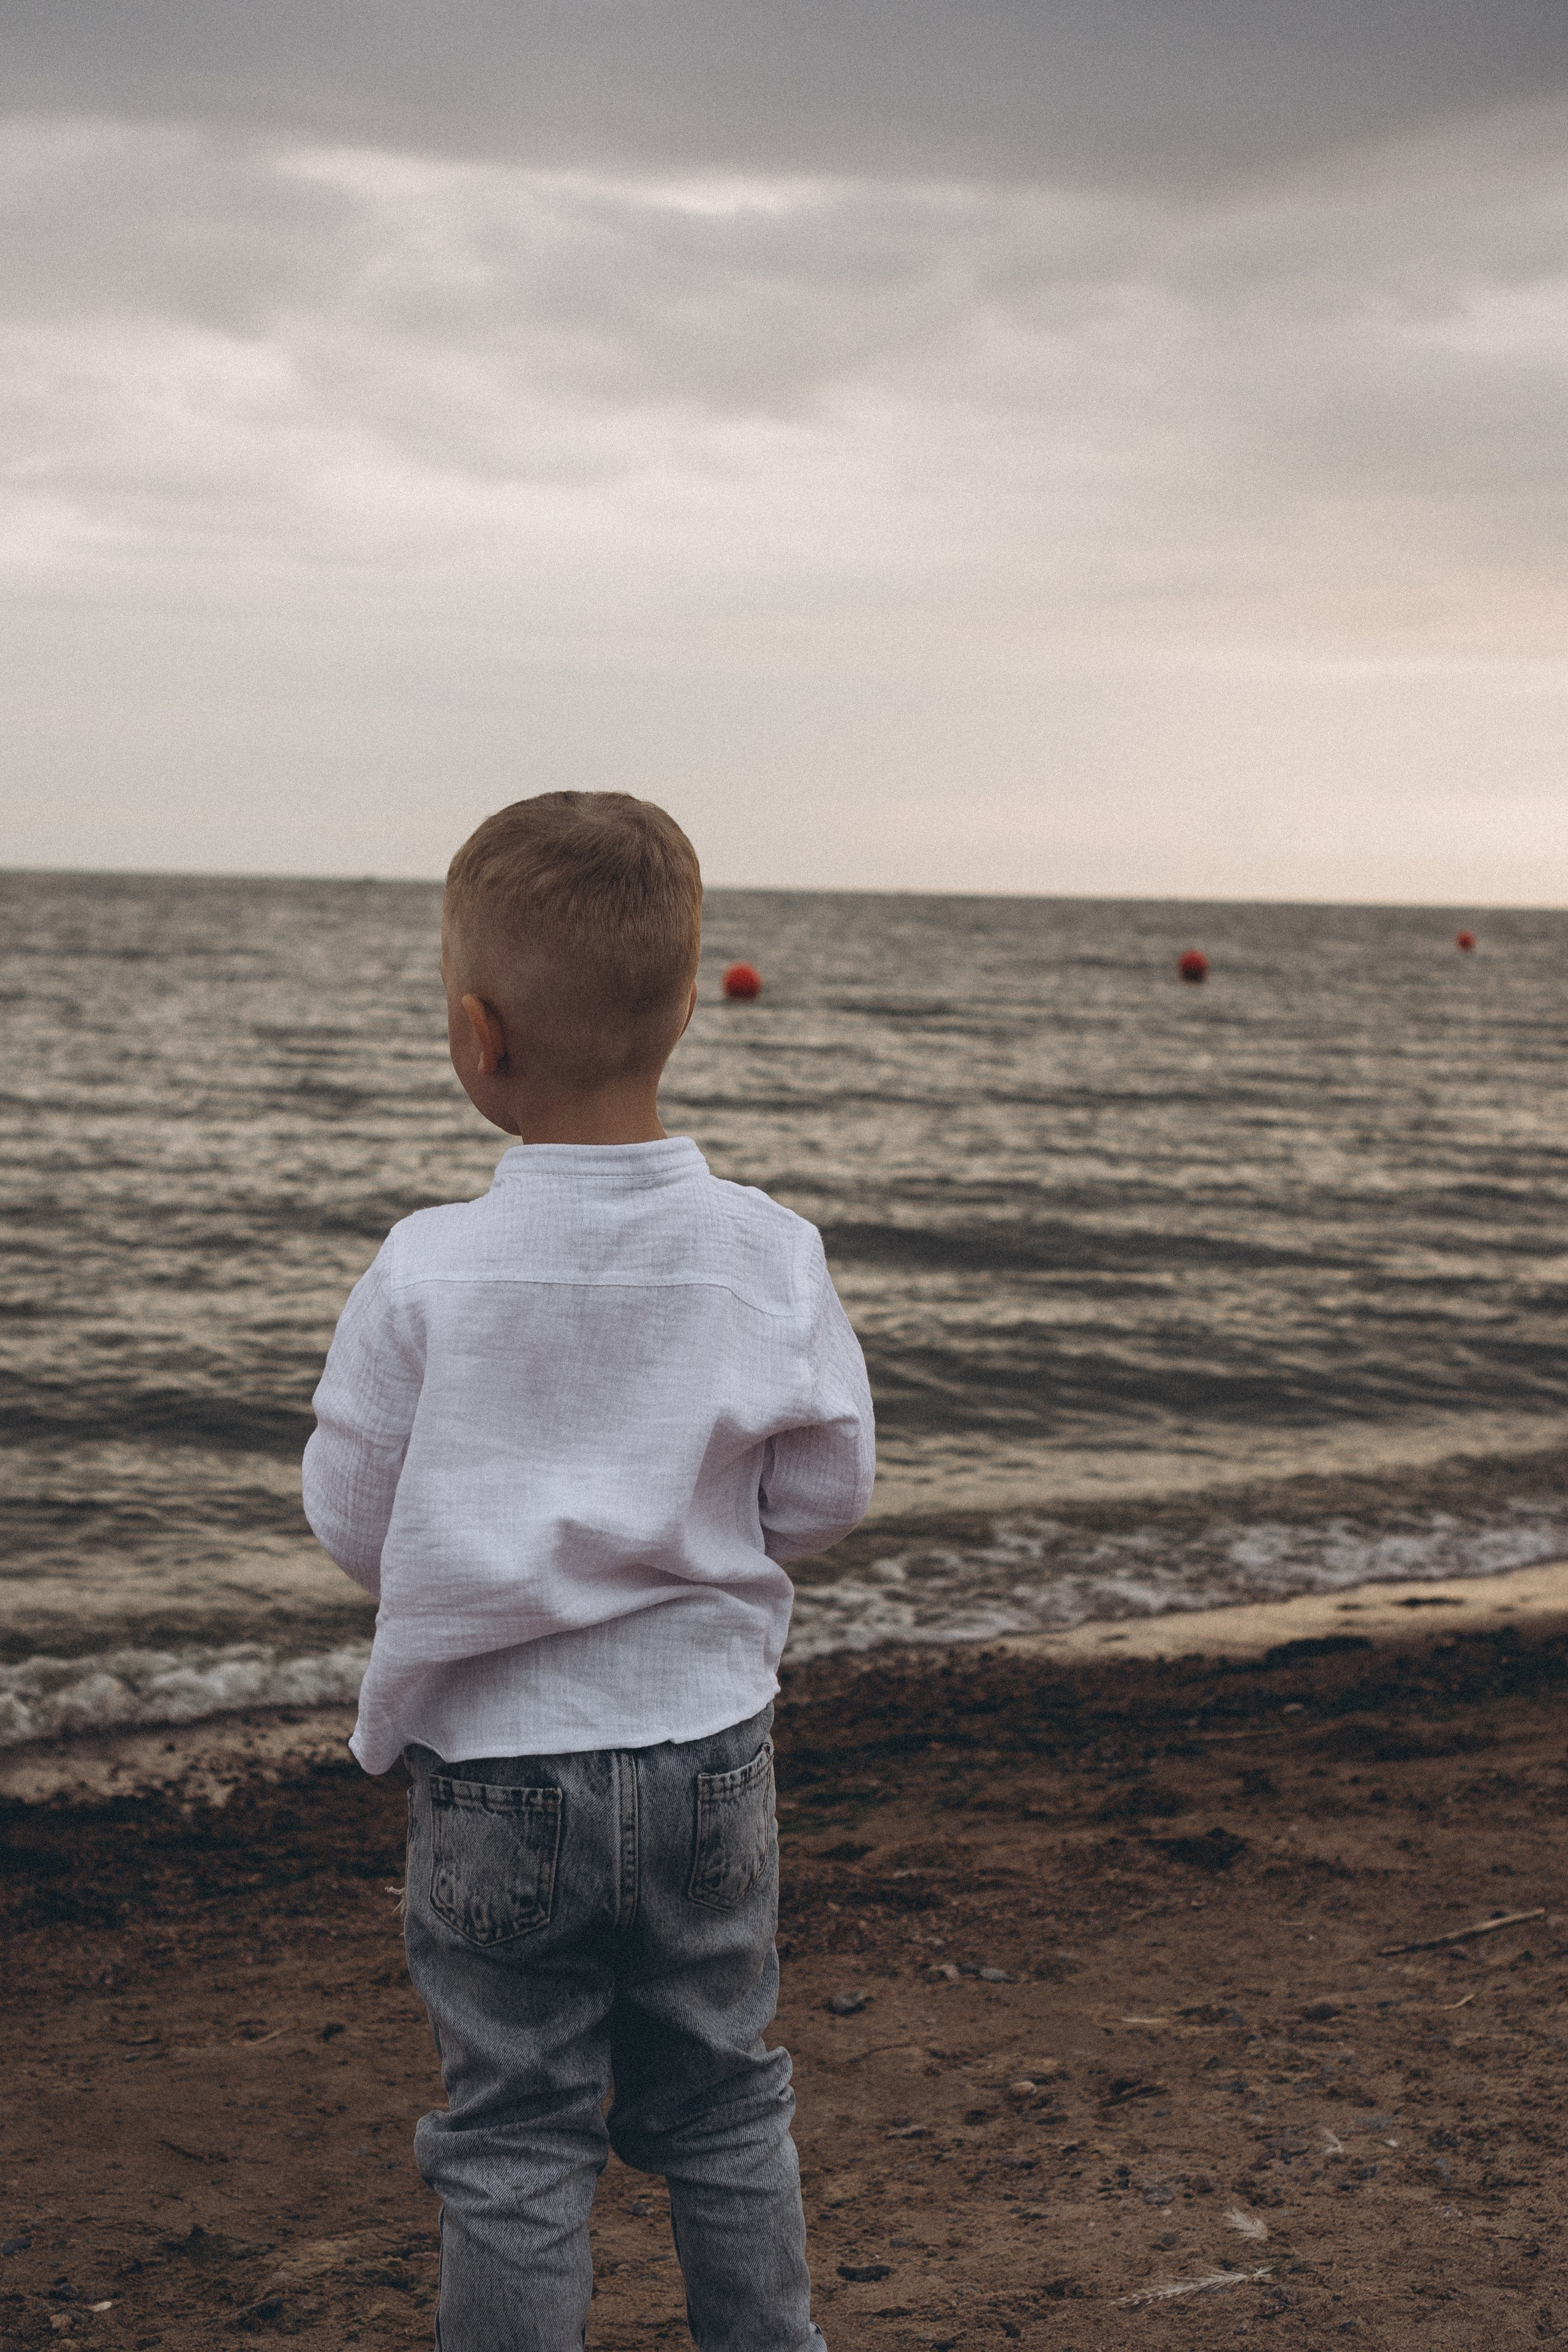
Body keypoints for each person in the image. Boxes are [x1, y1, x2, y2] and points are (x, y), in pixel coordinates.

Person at [302, 791, 875, 2352]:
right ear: (691, 1006)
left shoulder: (424, 1268)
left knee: (513, 2135)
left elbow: (355, 1519)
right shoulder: (769, 1253)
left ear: (476, 1037)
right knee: (722, 2101)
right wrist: (703, 1539)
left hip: (494, 1773)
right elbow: (827, 1493)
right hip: (706, 1756)